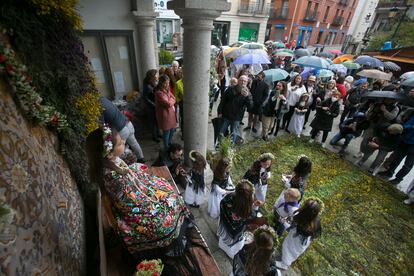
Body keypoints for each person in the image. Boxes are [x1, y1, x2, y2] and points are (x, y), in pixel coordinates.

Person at [101, 126, 187, 254]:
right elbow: (127, 201)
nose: (124, 142)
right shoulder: (113, 177)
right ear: (109, 153)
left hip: (135, 188)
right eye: (120, 143)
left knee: (168, 191)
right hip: (133, 203)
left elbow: (128, 173)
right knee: (164, 219)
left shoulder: (112, 161)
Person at [276, 198, 323, 270]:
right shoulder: (314, 219)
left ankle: (284, 264)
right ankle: (285, 260)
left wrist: (284, 223)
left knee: (289, 248)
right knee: (292, 249)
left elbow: (292, 229)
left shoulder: (307, 226)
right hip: (303, 240)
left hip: (297, 240)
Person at [218, 180, 261, 259]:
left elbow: (223, 207)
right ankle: (230, 253)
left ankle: (222, 246)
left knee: (224, 240)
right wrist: (254, 206)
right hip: (237, 233)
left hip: (225, 227)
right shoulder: (249, 212)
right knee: (233, 247)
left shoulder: (227, 199)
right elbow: (251, 218)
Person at [99, 96, 145, 163]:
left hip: (121, 130)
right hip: (128, 124)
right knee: (134, 144)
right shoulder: (103, 98)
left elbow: (102, 125)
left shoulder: (98, 106)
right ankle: (141, 159)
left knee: (119, 151)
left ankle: (126, 165)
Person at [377, 114, 414, 185]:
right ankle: (389, 172)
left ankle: (398, 179)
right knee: (396, 158)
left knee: (408, 165)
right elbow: (405, 126)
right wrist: (411, 127)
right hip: (405, 141)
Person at [217, 75, 253, 144]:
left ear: (247, 83)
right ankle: (220, 145)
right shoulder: (230, 89)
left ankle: (230, 148)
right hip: (226, 115)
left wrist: (247, 97)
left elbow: (250, 107)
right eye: (241, 80)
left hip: (237, 117)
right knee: (221, 132)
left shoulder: (248, 93)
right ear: (238, 81)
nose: (243, 82)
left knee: (233, 133)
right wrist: (219, 112)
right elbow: (223, 101)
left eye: (245, 81)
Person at [154, 74, 177, 149]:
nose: (168, 84)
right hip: (164, 115)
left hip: (171, 114)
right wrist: (171, 100)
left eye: (168, 83)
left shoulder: (167, 90)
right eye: (166, 83)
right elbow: (167, 104)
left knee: (172, 130)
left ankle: (169, 143)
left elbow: (174, 98)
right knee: (166, 132)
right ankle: (166, 147)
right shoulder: (158, 93)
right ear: (161, 83)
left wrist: (171, 100)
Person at [142, 69, 161, 142]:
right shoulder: (147, 86)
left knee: (156, 121)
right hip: (150, 107)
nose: (157, 76)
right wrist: (154, 105)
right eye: (156, 75)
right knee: (153, 122)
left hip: (154, 105)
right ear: (152, 76)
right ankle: (154, 136)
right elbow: (145, 98)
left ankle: (158, 133)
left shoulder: (152, 83)